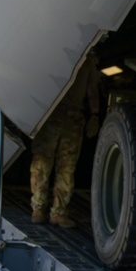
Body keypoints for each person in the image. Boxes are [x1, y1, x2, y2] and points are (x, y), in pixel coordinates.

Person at [30, 53, 101, 228]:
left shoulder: (88, 59)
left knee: (66, 166)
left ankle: (57, 212)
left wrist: (95, 115)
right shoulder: (57, 51)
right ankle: (39, 208)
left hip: (72, 116)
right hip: (52, 112)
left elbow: (92, 89)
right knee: (42, 162)